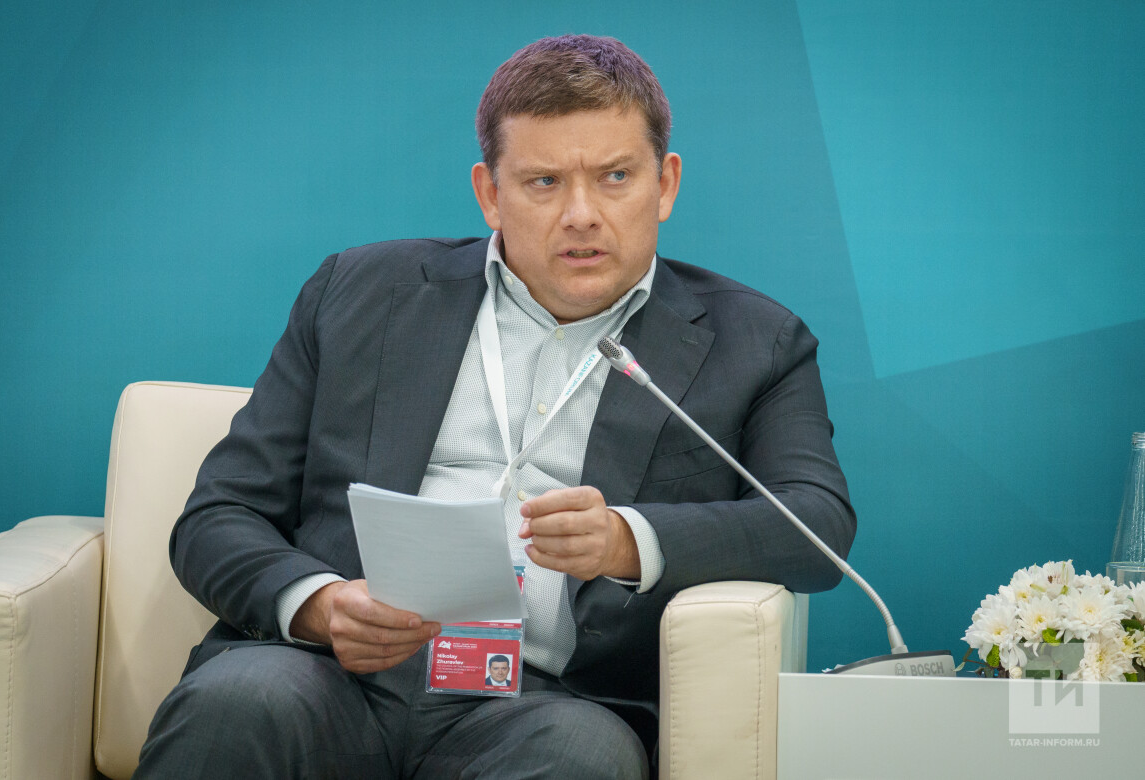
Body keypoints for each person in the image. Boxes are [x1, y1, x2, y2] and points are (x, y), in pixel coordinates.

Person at [134, 34, 855, 779]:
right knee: (236, 702)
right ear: (491, 194)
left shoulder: (756, 342)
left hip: (547, 705)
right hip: (324, 674)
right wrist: (319, 605)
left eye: (615, 177)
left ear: (665, 184)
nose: (581, 214)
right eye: (544, 182)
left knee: (580, 761)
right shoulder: (359, 293)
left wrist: (626, 540)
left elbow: (818, 525)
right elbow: (219, 514)